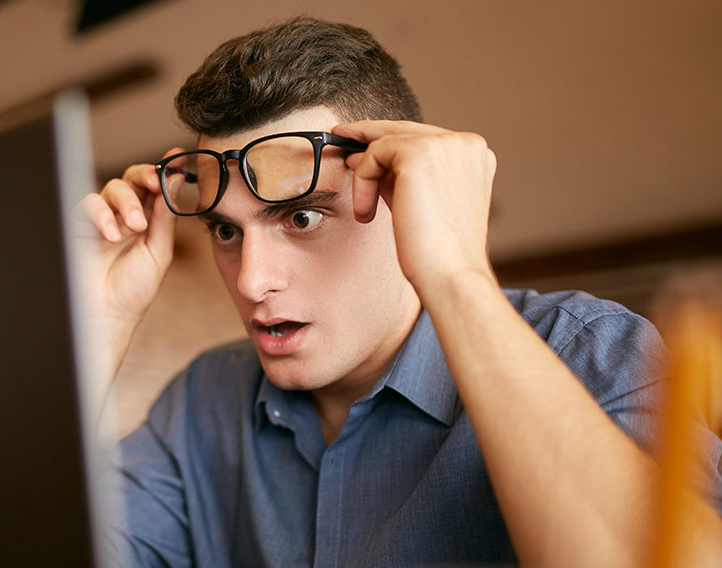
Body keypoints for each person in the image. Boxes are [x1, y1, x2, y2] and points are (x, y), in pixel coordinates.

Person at [78, 16, 722, 567]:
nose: (250, 281)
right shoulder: (200, 407)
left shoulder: (591, 351)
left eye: (302, 216)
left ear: (400, 192)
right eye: (224, 229)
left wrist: (458, 277)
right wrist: (94, 323)